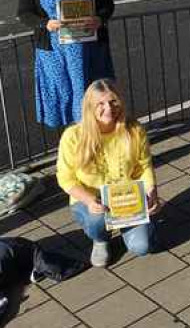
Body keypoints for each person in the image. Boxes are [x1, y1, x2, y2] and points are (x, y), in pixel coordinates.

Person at [18, 0, 114, 132]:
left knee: (97, 98)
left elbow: (107, 4)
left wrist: (100, 18)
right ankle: (73, 147)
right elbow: (24, 13)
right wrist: (45, 24)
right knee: (64, 99)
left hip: (91, 50)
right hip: (55, 53)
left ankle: (98, 142)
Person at [57, 79, 160, 268]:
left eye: (113, 102)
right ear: (89, 107)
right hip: (92, 199)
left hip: (127, 197)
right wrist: (88, 200)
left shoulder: (134, 129)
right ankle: (101, 240)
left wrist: (152, 191)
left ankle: (141, 223)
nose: (109, 109)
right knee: (97, 219)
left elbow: (144, 166)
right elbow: (65, 177)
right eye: (101, 104)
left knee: (142, 247)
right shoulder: (73, 136)